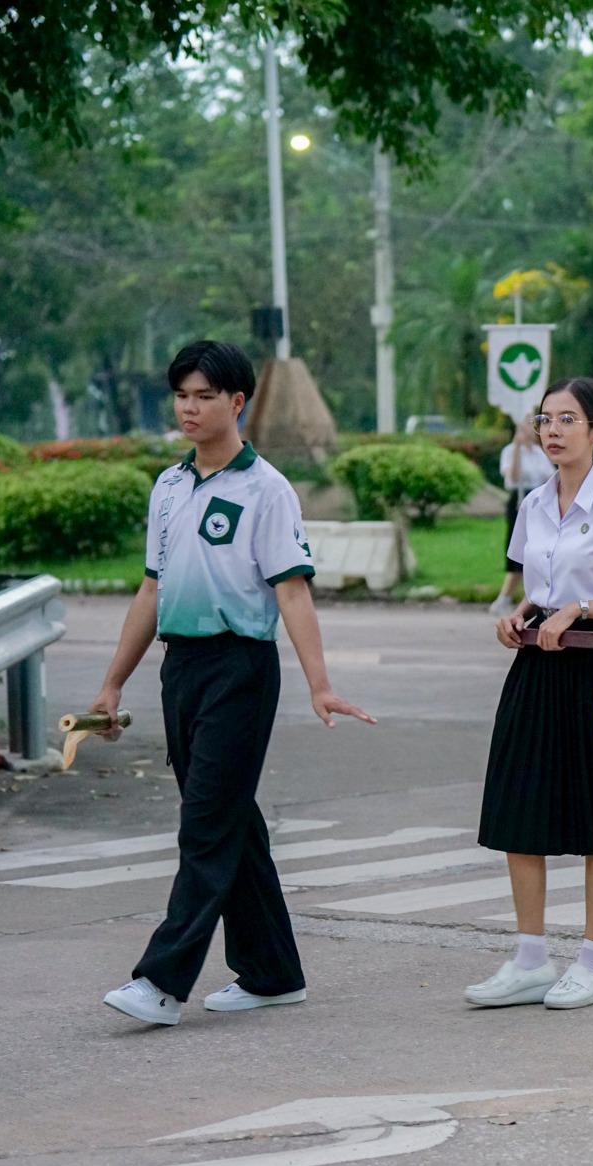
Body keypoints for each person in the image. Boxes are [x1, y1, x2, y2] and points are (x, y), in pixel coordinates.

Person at [95, 340, 376, 1027]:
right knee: (230, 822)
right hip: (181, 667)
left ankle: (162, 981)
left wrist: (319, 682)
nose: (190, 408)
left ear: (237, 402)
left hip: (240, 669)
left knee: (206, 824)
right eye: (182, 396)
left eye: (204, 396)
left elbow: (293, 593)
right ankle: (273, 971)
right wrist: (112, 684)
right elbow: (150, 589)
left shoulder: (265, 490)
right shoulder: (168, 486)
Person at [467, 376, 593, 1011]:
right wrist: (520, 613)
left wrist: (581, 609)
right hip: (539, 663)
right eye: (544, 419)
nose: (551, 430)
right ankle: (530, 958)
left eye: (567, 419)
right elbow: (540, 584)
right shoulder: (532, 505)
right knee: (517, 806)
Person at [489, 413, 553, 619]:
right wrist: (517, 447)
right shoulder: (509, 451)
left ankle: (523, 597)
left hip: (538, 500)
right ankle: (504, 599)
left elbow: (550, 477)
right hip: (519, 500)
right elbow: (512, 476)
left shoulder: (538, 452)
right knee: (518, 549)